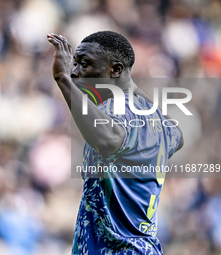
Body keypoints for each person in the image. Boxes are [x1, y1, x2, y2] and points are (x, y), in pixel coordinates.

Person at [47, 31, 183, 254]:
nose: (75, 71)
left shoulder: (115, 108)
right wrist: (131, 86)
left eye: (85, 64)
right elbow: (177, 136)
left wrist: (62, 79)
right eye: (74, 64)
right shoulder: (149, 116)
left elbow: (108, 139)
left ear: (115, 70)